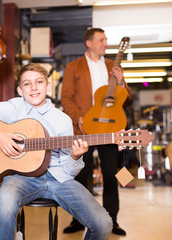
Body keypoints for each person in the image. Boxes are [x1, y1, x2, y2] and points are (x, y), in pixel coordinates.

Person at [0, 63, 112, 240]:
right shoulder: (13, 108)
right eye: (27, 84)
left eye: (39, 82)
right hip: (20, 177)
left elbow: (68, 171)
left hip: (58, 178)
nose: (34, 88)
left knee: (103, 224)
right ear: (20, 90)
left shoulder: (63, 121)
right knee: (3, 204)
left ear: (48, 86)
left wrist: (75, 156)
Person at [61, 28, 132, 236]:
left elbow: (124, 98)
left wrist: (121, 82)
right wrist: (77, 117)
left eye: (107, 40)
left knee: (111, 175)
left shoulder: (112, 66)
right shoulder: (73, 67)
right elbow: (66, 97)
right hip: (83, 129)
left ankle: (112, 221)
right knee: (81, 176)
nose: (106, 44)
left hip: (109, 129)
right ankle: (77, 220)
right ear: (89, 43)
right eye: (102, 40)